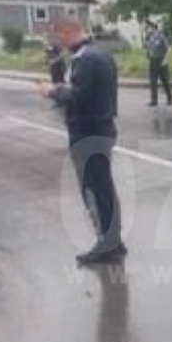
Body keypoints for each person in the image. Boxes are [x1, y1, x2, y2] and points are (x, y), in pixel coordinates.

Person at [41, 15, 126, 265]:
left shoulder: (86, 59)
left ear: (69, 32)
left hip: (88, 132)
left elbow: (79, 96)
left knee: (94, 189)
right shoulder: (100, 53)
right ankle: (114, 242)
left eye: (59, 36)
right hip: (101, 128)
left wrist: (53, 91)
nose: (59, 42)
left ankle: (107, 245)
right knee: (104, 188)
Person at [145, 21, 172, 107]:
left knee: (165, 81)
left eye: (148, 28)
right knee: (153, 82)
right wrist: (148, 56)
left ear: (153, 28)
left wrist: (166, 60)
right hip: (153, 62)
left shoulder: (161, 36)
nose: (147, 29)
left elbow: (169, 49)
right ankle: (154, 101)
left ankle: (170, 98)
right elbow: (149, 50)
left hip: (161, 61)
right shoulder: (149, 38)